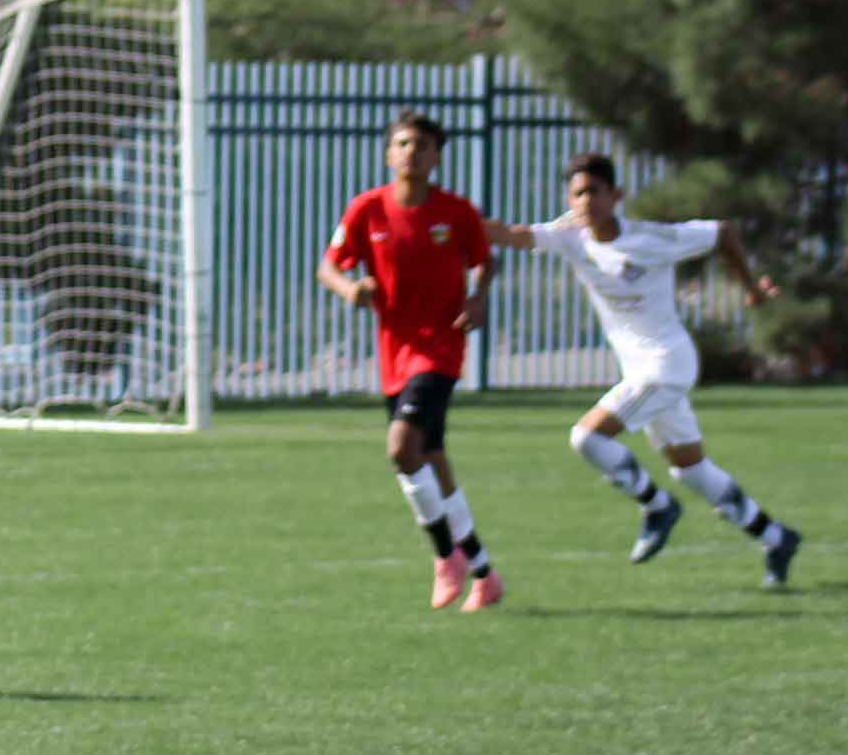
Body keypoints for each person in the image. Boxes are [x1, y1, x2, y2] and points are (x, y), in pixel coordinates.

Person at [489, 154, 801, 585]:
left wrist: (750, 288)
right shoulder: (571, 238)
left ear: (615, 196)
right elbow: (510, 234)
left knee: (587, 438)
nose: (587, 201)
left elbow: (723, 232)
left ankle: (657, 506)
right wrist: (448, 221)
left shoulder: (651, 239)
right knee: (690, 468)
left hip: (667, 365)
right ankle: (776, 536)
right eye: (579, 193)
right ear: (570, 198)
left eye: (595, 191)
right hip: (640, 372)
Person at [317, 109, 504, 611]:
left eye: (421, 146)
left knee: (402, 448)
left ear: (437, 157)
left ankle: (446, 557)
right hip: (393, 352)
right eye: (402, 144)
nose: (411, 153)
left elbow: (487, 259)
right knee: (433, 462)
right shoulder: (367, 210)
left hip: (440, 348)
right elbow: (329, 266)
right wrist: (350, 289)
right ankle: (484, 573)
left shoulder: (456, 212)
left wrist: (477, 297)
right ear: (388, 152)